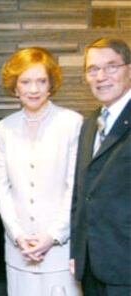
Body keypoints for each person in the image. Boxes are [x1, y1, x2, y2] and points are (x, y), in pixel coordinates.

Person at [0, 47, 83, 296]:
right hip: (19, 253)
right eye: (26, 82)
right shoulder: (4, 128)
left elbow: (74, 188)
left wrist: (52, 236)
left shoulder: (71, 123)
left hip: (59, 253)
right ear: (15, 87)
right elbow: (2, 188)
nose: (33, 89)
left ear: (50, 84)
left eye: (41, 81)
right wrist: (18, 235)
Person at [70, 37, 131, 296]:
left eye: (111, 67)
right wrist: (77, 252)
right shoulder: (89, 123)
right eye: (92, 69)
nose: (101, 76)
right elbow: (82, 195)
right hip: (93, 266)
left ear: (129, 69)